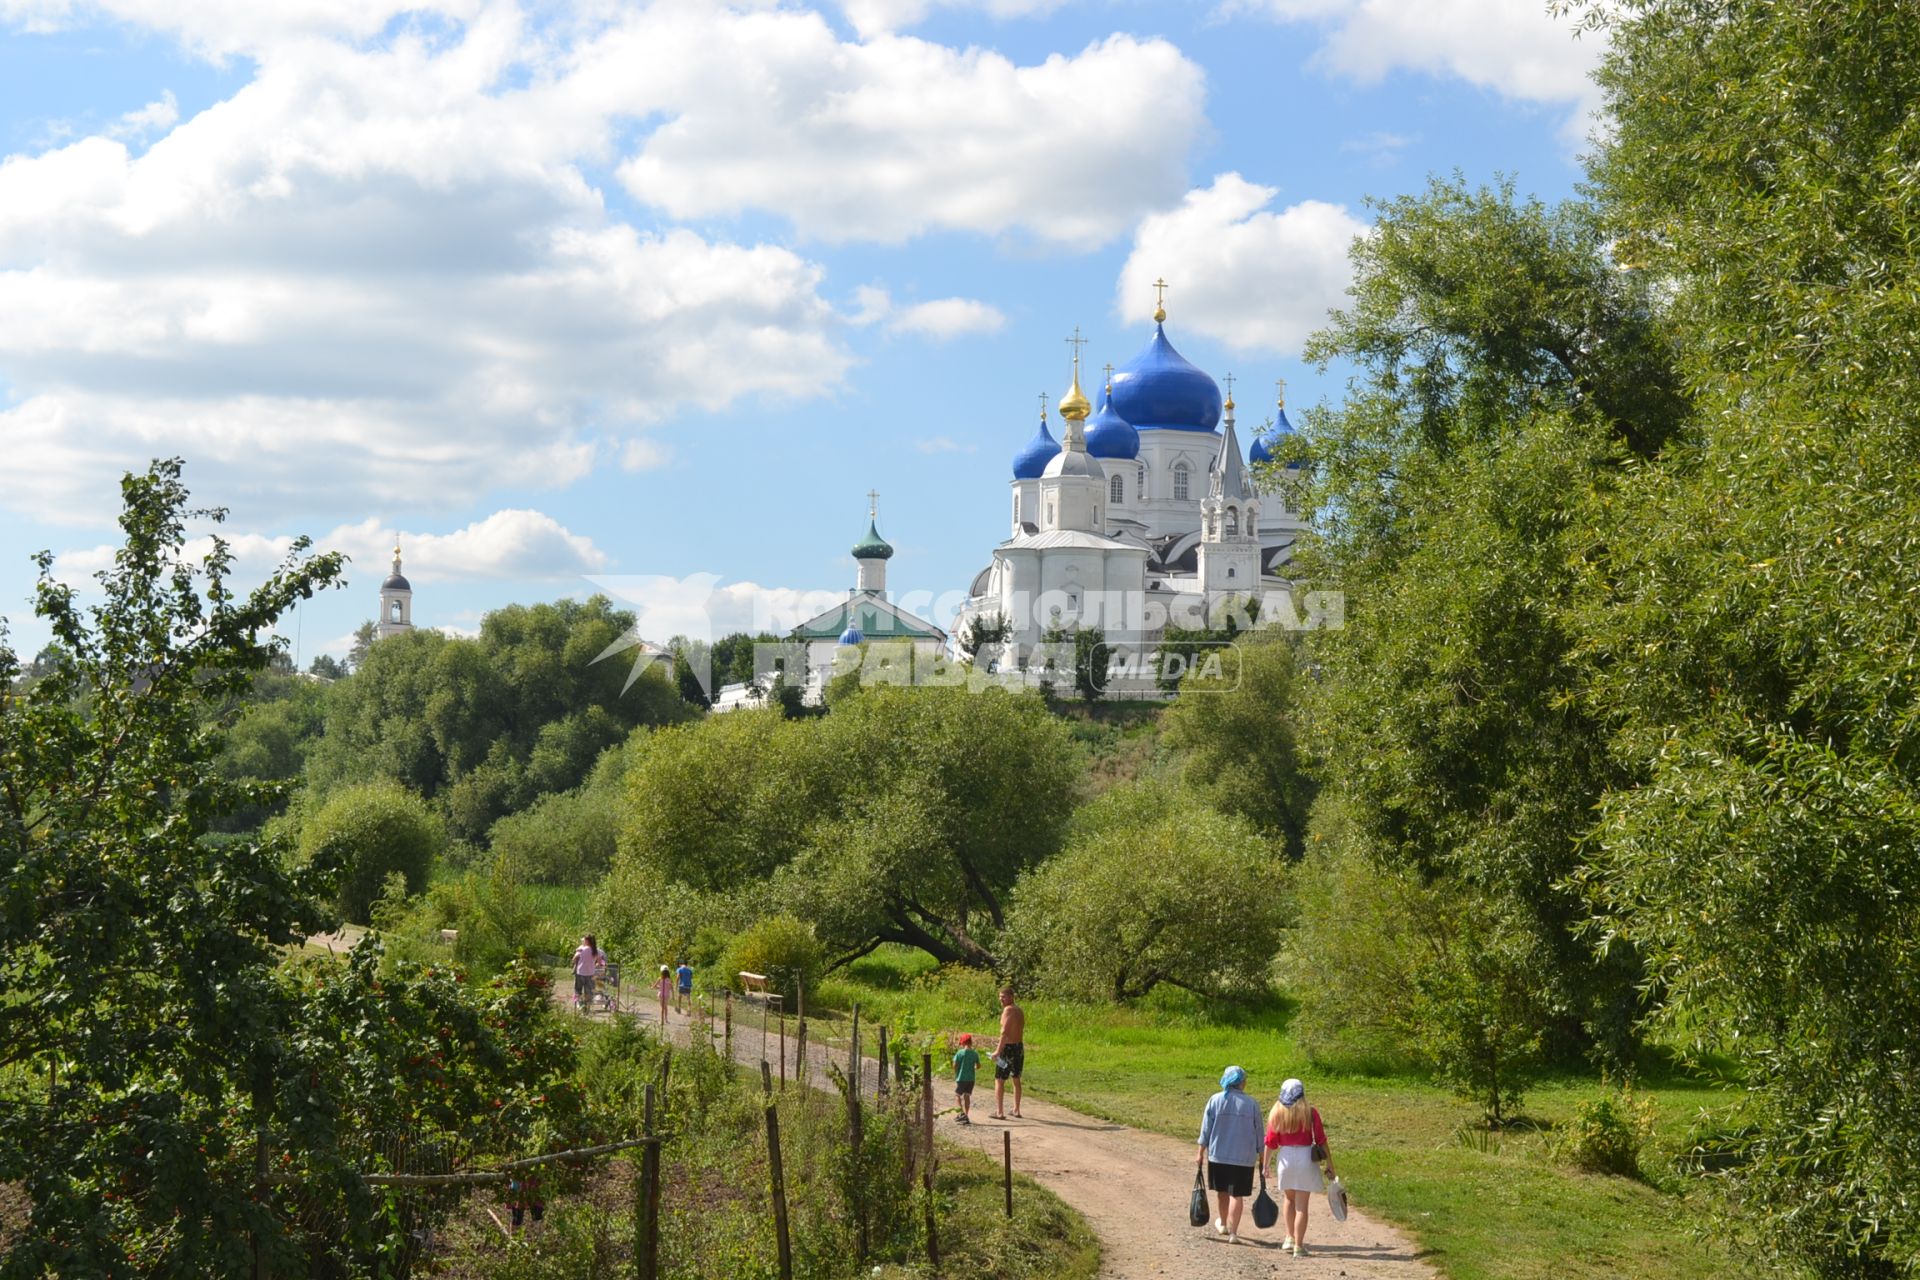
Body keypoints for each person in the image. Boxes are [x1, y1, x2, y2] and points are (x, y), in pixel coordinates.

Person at [1264, 1077, 1335, 1257]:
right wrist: (1330, 1164)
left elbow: (1271, 1142)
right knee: (1302, 1205)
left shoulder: (1277, 1113)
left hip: (1285, 1157)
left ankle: (1288, 1237)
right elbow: (1321, 1140)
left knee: (1289, 1199)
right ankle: (1299, 1245)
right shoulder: (1310, 1113)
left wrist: (1265, 1164)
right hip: (1305, 1157)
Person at [1196, 1065, 1263, 1245]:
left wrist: (1200, 1152)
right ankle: (1234, 1233)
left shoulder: (1215, 1100)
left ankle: (1224, 1223)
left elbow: (1206, 1129)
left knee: (1222, 1192)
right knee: (1237, 1195)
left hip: (1219, 1155)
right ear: (1241, 1082)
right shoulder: (1252, 1104)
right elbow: (1259, 1132)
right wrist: (1261, 1154)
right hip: (1244, 1158)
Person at [990, 987, 1025, 1119]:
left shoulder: (1008, 1010)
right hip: (1019, 1047)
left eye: (1003, 997)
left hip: (1008, 1049)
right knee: (1016, 1078)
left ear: (1011, 996)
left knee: (999, 1079)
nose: (1001, 999)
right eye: (1000, 997)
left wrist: (997, 1051)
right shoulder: (1019, 1010)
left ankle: (999, 1112)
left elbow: (1004, 1032)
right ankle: (1016, 1109)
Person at [951, 1033, 982, 1124]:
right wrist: (974, 1068)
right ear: (971, 1042)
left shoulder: (960, 1053)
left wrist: (956, 1070)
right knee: (967, 1096)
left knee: (957, 1095)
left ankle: (961, 1113)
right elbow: (978, 1065)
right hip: (971, 1079)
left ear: (963, 1043)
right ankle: (967, 1115)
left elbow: (955, 1065)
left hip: (961, 1078)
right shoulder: (974, 1053)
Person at [571, 934, 604, 1010]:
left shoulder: (582, 949)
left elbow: (574, 958)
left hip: (580, 972)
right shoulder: (597, 950)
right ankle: (587, 1006)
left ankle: (579, 1004)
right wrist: (593, 965)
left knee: (578, 989)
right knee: (588, 991)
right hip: (590, 973)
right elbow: (599, 963)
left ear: (587, 941)